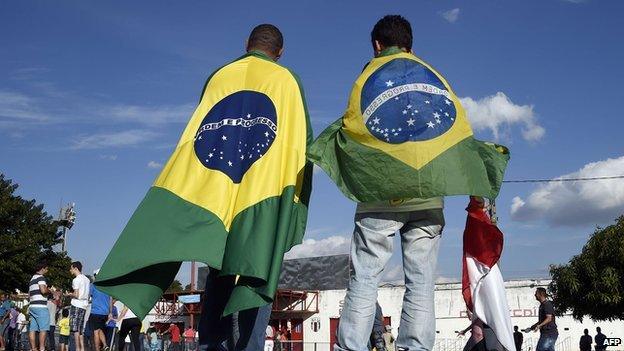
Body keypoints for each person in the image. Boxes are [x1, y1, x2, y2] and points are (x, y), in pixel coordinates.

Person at [333, 15, 446, 351]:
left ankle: (350, 347)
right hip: (428, 191)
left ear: (377, 45)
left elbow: (352, 131)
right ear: (410, 45)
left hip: (381, 190)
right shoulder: (434, 77)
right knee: (422, 281)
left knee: (366, 276)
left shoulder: (368, 77)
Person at [67, 261, 90, 351]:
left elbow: (76, 294)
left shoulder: (76, 280)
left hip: (76, 304)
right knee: (80, 329)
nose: (70, 270)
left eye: (71, 268)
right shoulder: (87, 279)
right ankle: (82, 348)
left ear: (75, 268)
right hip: (84, 305)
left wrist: (69, 294)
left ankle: (77, 348)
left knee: (75, 329)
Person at [89, 269, 112, 351]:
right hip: (105, 313)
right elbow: (110, 300)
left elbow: (88, 296)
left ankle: (97, 349)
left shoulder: (93, 285)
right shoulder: (107, 286)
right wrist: (110, 312)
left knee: (96, 331)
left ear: (96, 276)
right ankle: (105, 345)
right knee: (100, 330)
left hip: (96, 312)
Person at [29, 261, 50, 351]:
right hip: (41, 307)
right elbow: (43, 290)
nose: (47, 270)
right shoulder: (41, 278)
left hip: (32, 306)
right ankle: (42, 348)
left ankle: (33, 348)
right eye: (46, 269)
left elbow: (30, 294)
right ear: (43, 268)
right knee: (43, 329)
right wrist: (51, 291)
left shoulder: (32, 279)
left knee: (32, 329)